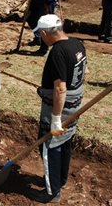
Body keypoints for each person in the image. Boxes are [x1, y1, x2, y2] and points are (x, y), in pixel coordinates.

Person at [34, 14, 86, 203]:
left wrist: (55, 118)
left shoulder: (57, 52)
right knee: (65, 142)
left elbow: (60, 88)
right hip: (74, 107)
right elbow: (81, 74)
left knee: (50, 147)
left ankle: (52, 191)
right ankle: (61, 180)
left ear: (45, 33)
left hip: (58, 109)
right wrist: (44, 90)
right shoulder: (77, 44)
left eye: (41, 35)